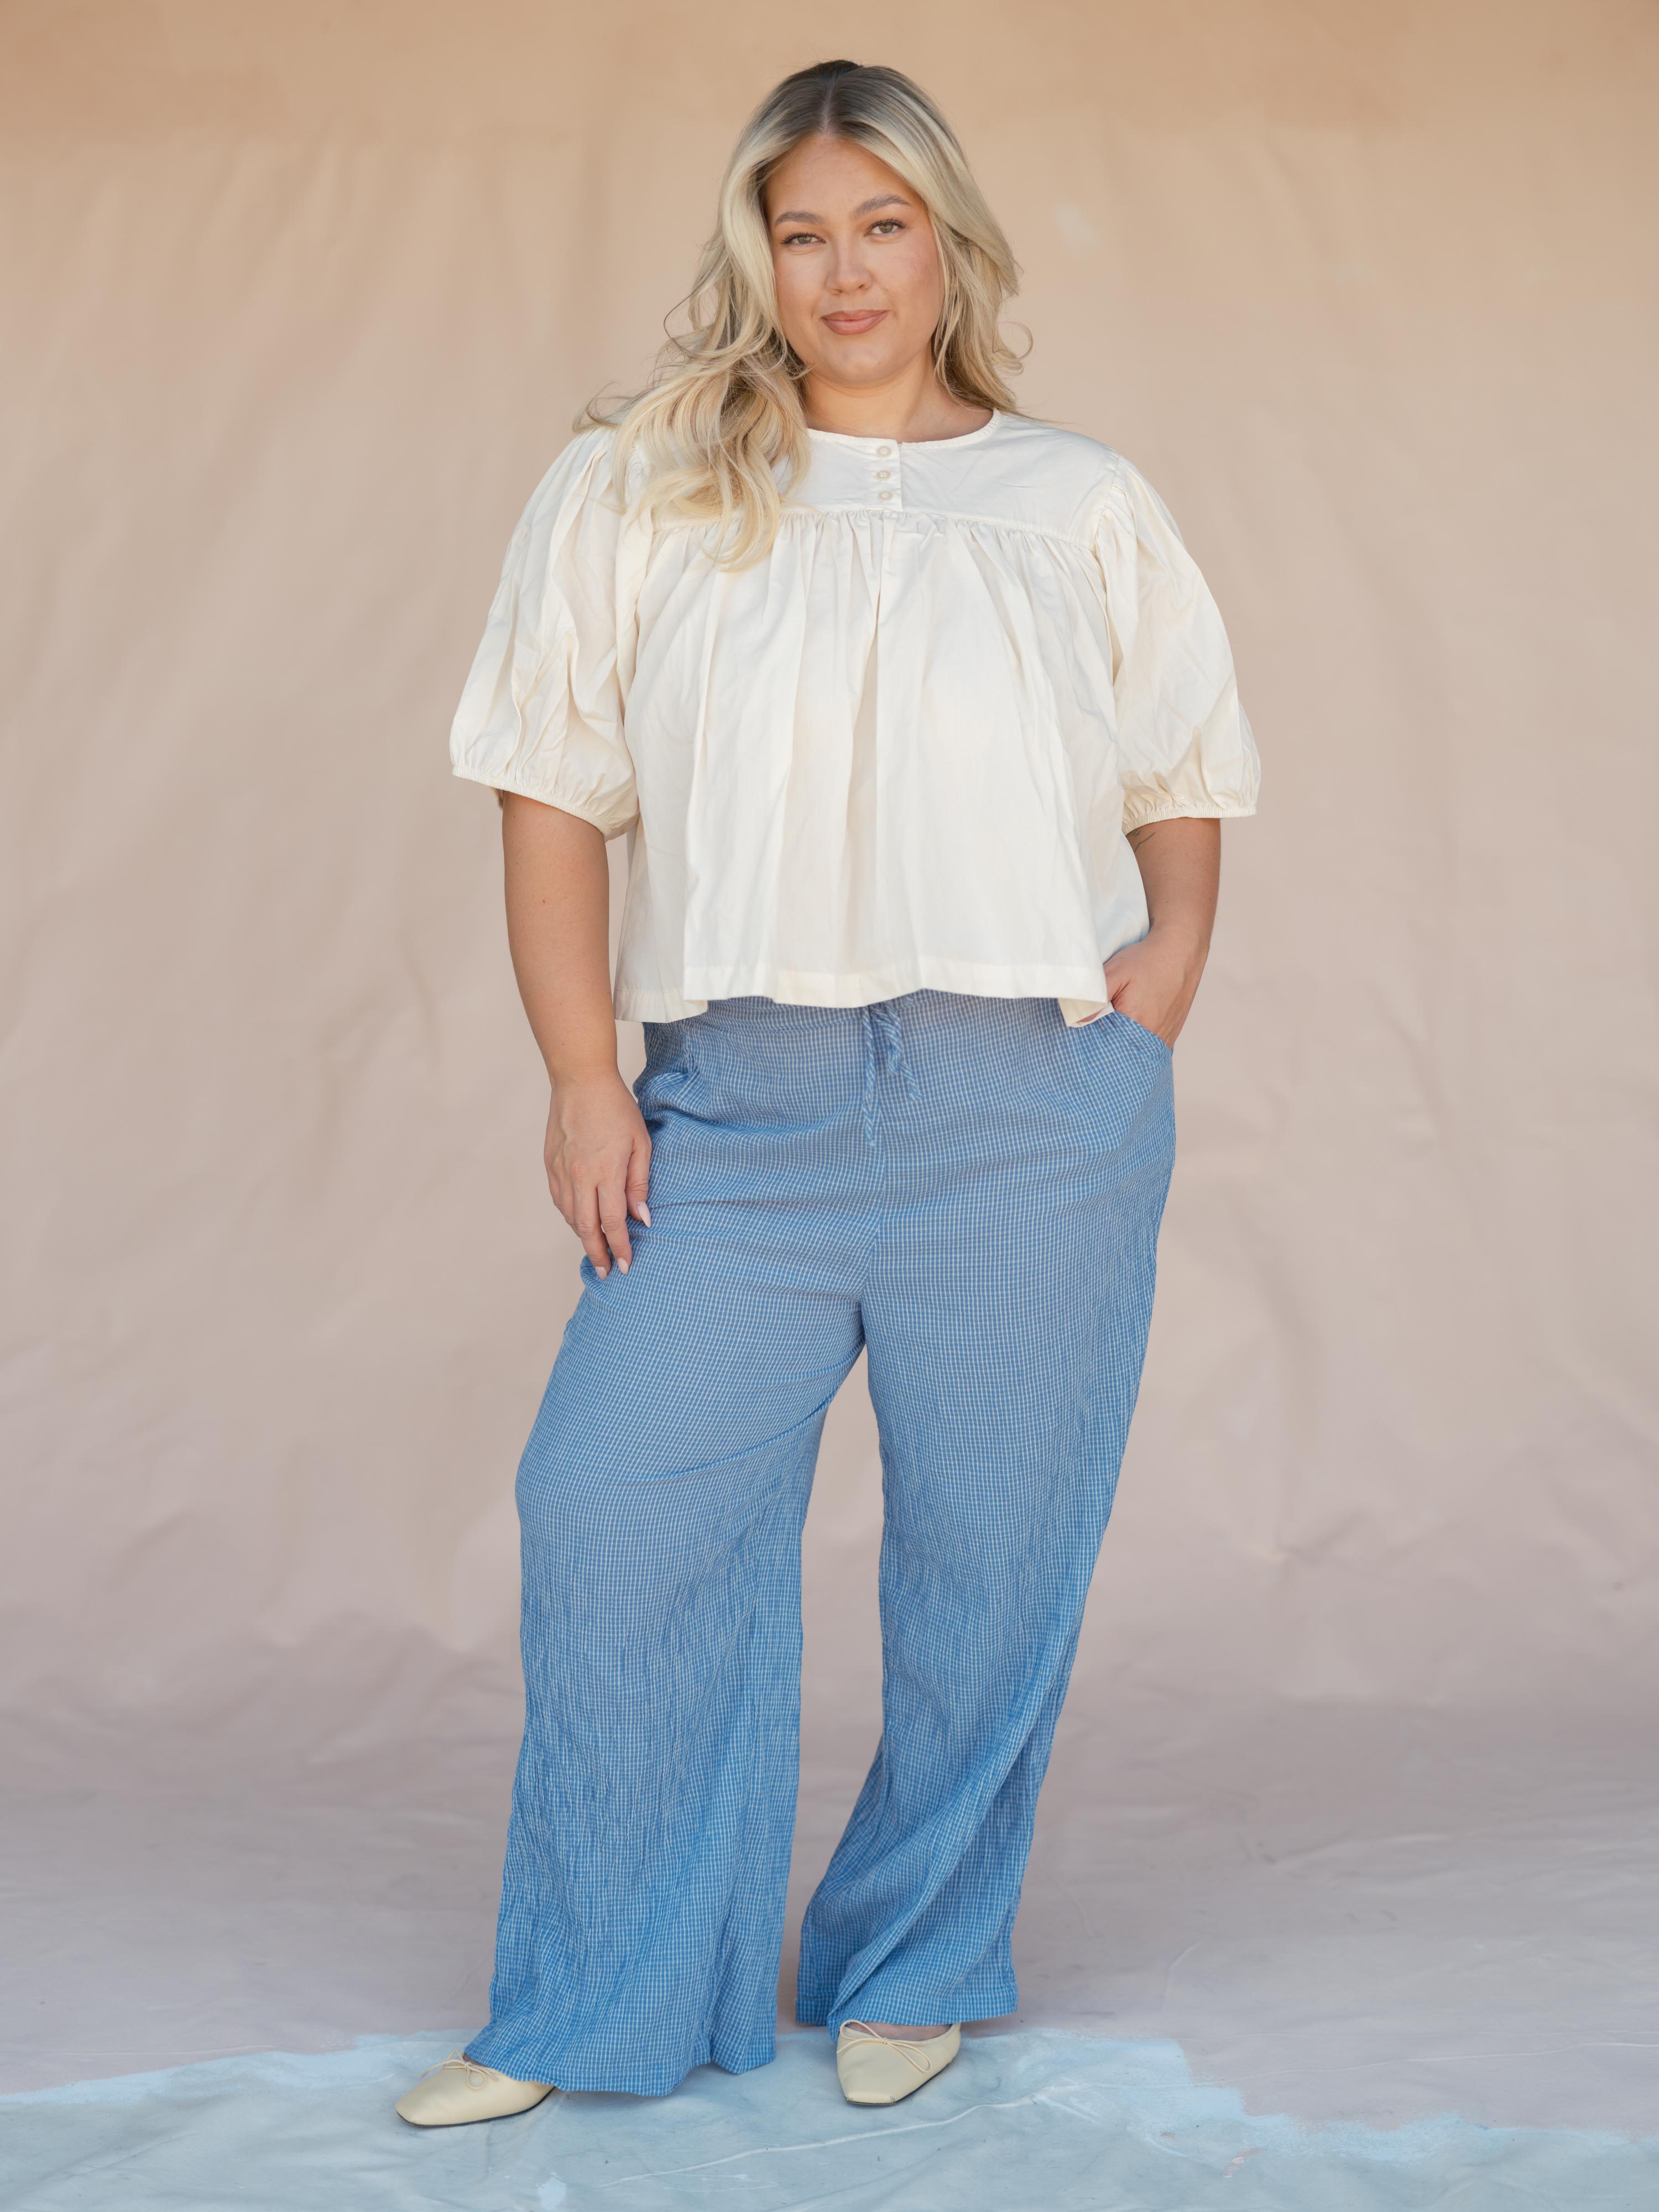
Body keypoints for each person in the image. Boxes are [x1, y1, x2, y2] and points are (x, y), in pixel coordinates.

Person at [395, 56, 1257, 2128]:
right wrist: (584, 1075)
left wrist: (1164, 977)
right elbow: (548, 790)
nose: (846, 272)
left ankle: (915, 1955)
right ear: (756, 256)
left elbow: (1182, 763)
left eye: (884, 227)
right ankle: (597, 1998)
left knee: (991, 1563)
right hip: (738, 1112)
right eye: (803, 234)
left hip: (1027, 1110)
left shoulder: (1075, 500)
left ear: (949, 245)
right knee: (611, 1508)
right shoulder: (639, 485)